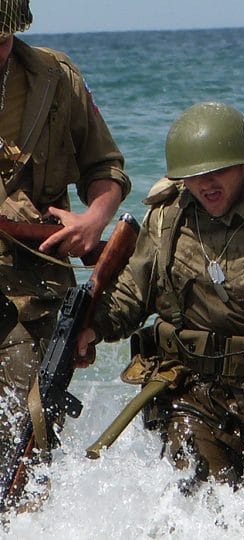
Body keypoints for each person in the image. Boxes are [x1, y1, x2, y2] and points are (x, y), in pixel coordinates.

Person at [76, 101, 244, 536]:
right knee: (196, 510)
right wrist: (94, 327)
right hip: (191, 390)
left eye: (218, 171)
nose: (206, 183)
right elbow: (132, 292)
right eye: (194, 175)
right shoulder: (166, 221)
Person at [0, 0, 129, 462]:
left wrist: (96, 218)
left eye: (3, 39)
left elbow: (104, 166)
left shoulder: (56, 78)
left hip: (39, 289)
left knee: (30, 442)